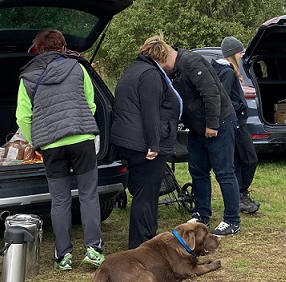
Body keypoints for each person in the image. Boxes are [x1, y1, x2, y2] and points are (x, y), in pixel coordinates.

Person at [16, 29, 104, 271]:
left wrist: (38, 142)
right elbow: (91, 102)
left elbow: (23, 116)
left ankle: (63, 256)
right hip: (82, 139)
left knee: (60, 200)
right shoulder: (78, 68)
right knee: (88, 194)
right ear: (63, 47)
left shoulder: (27, 78)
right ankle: (94, 249)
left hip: (52, 146)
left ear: (39, 50)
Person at [160, 41, 241, 236]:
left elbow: (211, 93)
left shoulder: (191, 62)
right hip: (196, 127)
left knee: (224, 172)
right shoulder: (174, 70)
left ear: (163, 57)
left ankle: (232, 220)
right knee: (197, 170)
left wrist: (212, 124)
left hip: (219, 122)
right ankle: (201, 213)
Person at [111, 35, 182, 249]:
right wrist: (154, 145)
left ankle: (144, 239)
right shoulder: (151, 75)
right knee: (146, 194)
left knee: (143, 192)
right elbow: (150, 113)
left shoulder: (132, 70)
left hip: (126, 140)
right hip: (143, 143)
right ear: (161, 56)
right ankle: (142, 244)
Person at [210, 36, 260, 214]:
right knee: (249, 158)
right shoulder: (229, 72)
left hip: (234, 120)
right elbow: (223, 97)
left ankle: (239, 195)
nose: (241, 55)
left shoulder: (220, 69)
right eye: (239, 52)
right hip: (236, 121)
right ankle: (240, 193)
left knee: (238, 160)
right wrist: (238, 107)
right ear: (232, 54)